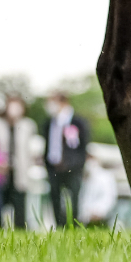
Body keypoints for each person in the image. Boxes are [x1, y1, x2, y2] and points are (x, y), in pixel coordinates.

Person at [41, 92, 90, 227]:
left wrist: (77, 164)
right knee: (55, 198)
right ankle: (59, 225)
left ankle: (73, 226)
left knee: (73, 198)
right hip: (53, 167)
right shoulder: (49, 123)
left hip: (72, 168)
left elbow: (83, 146)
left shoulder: (77, 122)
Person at [2, 95, 37, 229]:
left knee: (20, 202)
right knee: (2, 201)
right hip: (2, 170)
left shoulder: (28, 125)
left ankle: (20, 228)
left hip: (20, 170)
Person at [78, 154, 119, 227]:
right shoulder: (82, 179)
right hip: (84, 220)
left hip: (100, 219)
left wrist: (98, 211)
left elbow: (108, 198)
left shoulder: (106, 177)